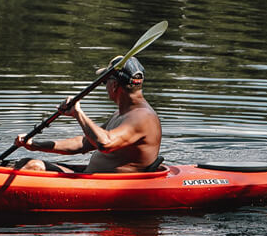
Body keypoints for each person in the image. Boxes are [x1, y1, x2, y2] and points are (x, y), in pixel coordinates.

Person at [13, 56, 162, 173]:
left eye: (105, 82)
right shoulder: (123, 113)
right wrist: (35, 145)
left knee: (32, 167)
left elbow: (105, 144)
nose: (105, 87)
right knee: (25, 163)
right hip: (91, 176)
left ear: (115, 85)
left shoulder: (143, 118)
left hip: (108, 185)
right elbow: (84, 143)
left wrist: (78, 113)